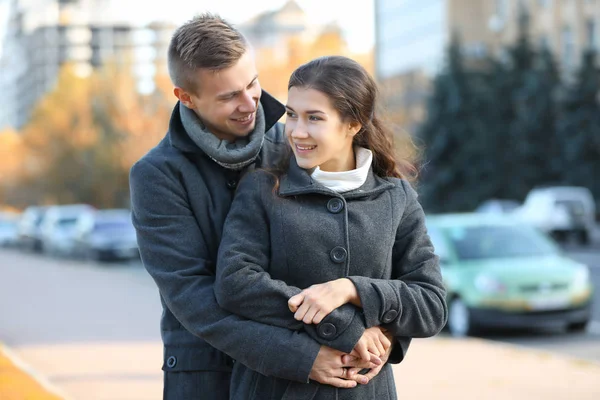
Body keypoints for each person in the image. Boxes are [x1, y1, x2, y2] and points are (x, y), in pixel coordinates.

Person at [129, 15, 405, 399]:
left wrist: (382, 332)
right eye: (228, 96)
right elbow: (192, 297)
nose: (248, 104)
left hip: (304, 382)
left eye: (252, 83)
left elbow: (362, 245)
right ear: (186, 97)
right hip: (209, 376)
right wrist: (304, 353)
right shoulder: (157, 175)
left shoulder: (298, 143)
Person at [214, 55, 448, 399]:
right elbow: (236, 283)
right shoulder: (262, 189)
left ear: (353, 124)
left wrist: (352, 289)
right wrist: (347, 327)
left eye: (314, 118)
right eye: (292, 115)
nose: (296, 131)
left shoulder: (396, 197)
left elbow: (431, 304)